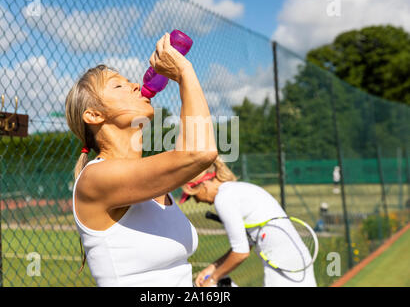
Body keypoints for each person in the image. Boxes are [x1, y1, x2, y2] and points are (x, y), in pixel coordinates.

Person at [64, 33, 218, 286]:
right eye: (118, 85)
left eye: (129, 82)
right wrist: (183, 71)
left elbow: (189, 154)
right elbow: (199, 152)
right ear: (93, 115)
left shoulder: (152, 179)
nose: (135, 85)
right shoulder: (95, 179)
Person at [180, 157, 317, 287]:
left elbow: (241, 252)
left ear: (204, 184)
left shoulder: (223, 199)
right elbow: (246, 244)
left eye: (193, 196)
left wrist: (212, 279)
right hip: (297, 260)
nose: (197, 201)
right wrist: (211, 269)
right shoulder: (238, 189)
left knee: (217, 282)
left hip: (283, 264)